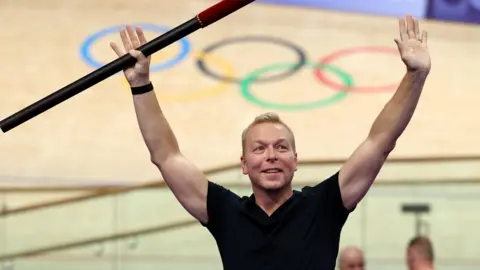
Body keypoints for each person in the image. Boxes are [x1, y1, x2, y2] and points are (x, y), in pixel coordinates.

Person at [109, 14, 431, 270]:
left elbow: (380, 142)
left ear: (295, 159)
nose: (271, 156)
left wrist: (414, 77)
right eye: (259, 149)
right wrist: (140, 84)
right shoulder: (225, 212)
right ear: (244, 164)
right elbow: (165, 155)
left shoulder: (324, 206)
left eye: (281, 147)